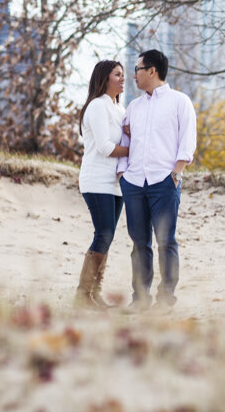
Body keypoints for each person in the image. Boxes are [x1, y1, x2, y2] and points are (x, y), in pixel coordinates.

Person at [116, 49, 196, 308]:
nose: (133, 76)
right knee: (139, 243)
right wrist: (122, 174)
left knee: (166, 241)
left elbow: (187, 141)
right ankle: (140, 298)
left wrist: (176, 173)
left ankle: (166, 298)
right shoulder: (133, 107)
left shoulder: (180, 101)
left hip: (164, 181)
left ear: (152, 71)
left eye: (137, 69)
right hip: (135, 182)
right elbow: (125, 141)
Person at [75, 59, 128, 308]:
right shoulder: (97, 106)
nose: (122, 78)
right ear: (104, 78)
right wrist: (134, 150)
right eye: (117, 74)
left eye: (123, 74)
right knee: (103, 233)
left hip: (115, 183)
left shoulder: (119, 109)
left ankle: (95, 293)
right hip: (96, 180)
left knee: (107, 236)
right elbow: (106, 148)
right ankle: (82, 295)